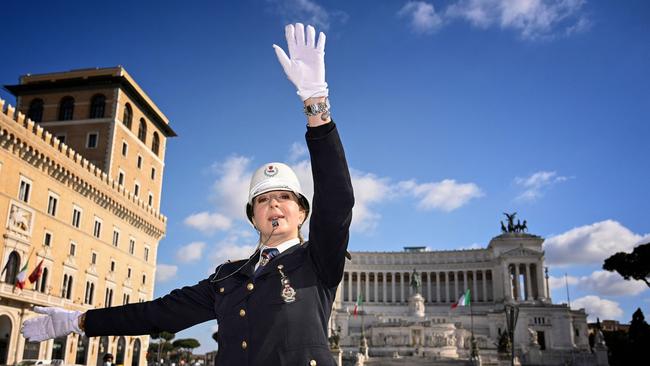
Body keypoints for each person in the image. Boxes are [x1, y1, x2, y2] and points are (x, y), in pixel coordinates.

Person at [21, 23, 354, 366]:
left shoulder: (318, 261)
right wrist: (79, 321)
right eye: (262, 199)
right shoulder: (229, 277)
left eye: (284, 197)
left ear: (302, 213)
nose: (273, 204)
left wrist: (316, 103)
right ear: (253, 216)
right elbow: (158, 314)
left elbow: (337, 200)